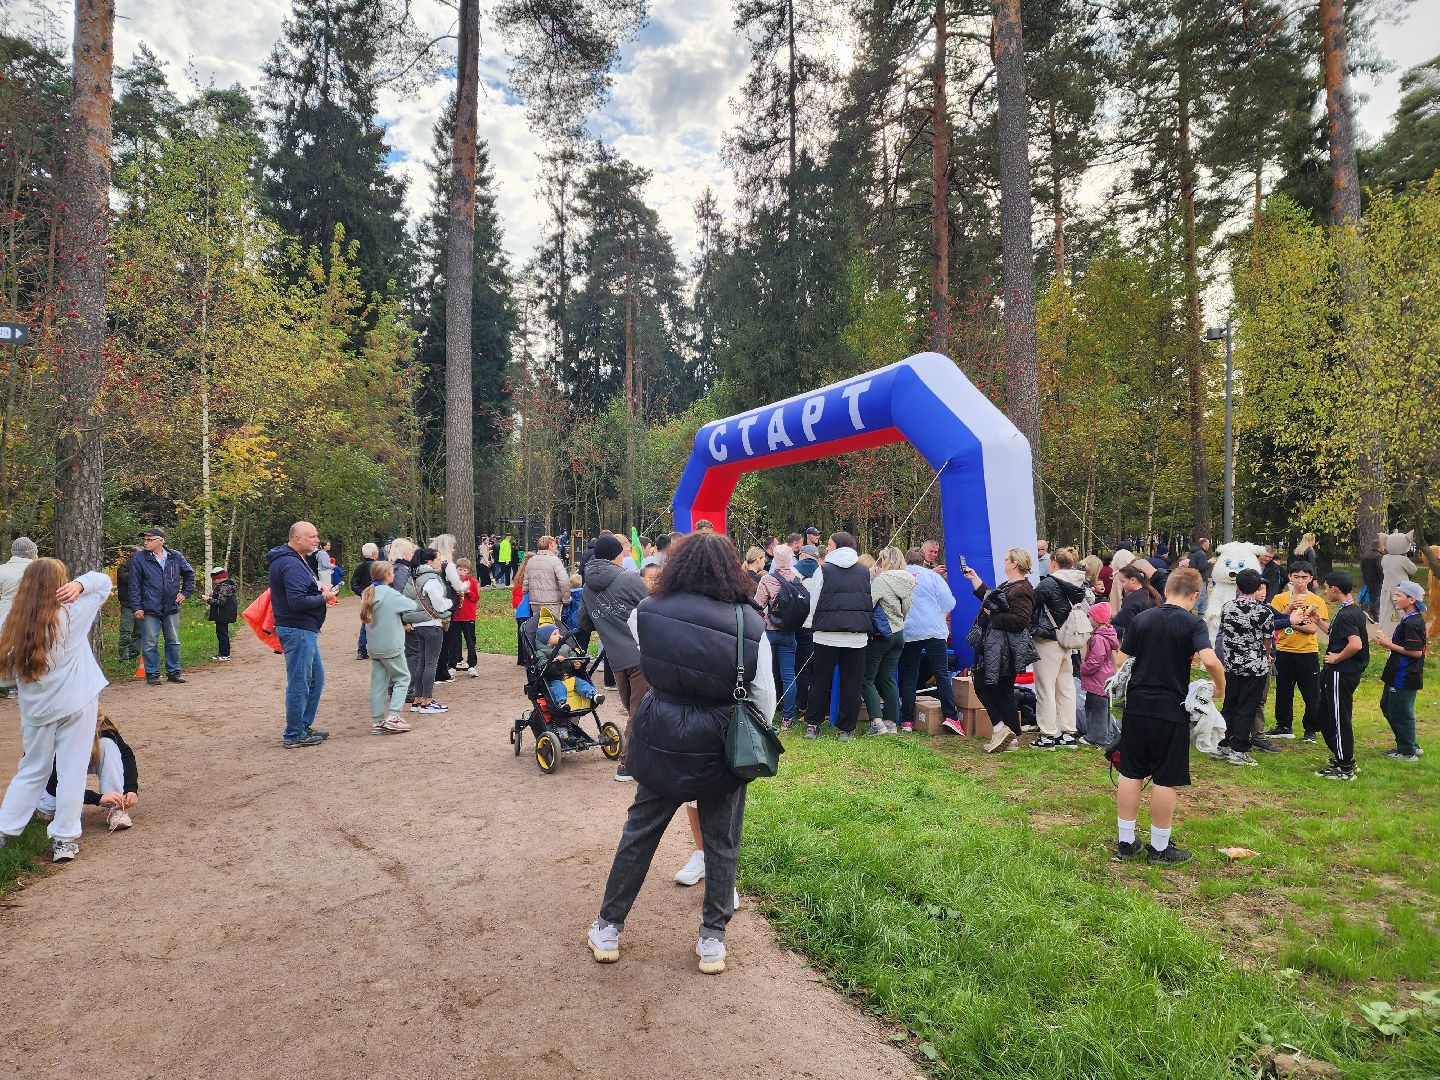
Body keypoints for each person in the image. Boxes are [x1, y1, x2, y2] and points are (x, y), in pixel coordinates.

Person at [586, 532, 774, 975]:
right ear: (730, 568)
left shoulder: (646, 612)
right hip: (720, 740)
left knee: (640, 830)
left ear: (677, 566)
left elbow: (644, 650)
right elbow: (764, 697)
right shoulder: (749, 623)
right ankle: (712, 939)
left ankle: (609, 927)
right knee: (722, 839)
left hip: (660, 732)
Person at [0, 560, 112, 862]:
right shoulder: (74, 613)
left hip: (37, 711)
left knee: (33, 770)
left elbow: (4, 677)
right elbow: (104, 583)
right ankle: (63, 840)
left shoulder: (11, 624)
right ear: (60, 585)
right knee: (71, 772)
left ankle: (5, 830)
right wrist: (81, 585)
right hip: (77, 703)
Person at [1113, 568, 1224, 866]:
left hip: (1136, 705)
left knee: (1131, 771)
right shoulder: (1193, 623)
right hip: (1170, 707)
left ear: (1167, 589)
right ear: (1195, 595)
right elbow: (1211, 659)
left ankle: (1126, 842)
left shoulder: (1143, 618)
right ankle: (1160, 848)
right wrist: (1220, 686)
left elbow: (1120, 659)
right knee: (1165, 778)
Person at [578, 534, 652, 781]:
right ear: (616, 555)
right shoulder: (629, 579)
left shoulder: (587, 586)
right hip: (641, 654)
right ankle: (628, 765)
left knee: (634, 709)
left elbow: (584, 622)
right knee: (639, 711)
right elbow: (654, 609)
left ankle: (644, 756)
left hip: (615, 659)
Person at [267, 521, 337, 748]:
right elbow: (296, 602)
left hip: (304, 629)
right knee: (300, 681)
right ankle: (294, 734)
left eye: (316, 536)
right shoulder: (291, 563)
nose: (317, 540)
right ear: (297, 539)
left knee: (316, 678)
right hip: (297, 628)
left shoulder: (296, 559)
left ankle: (302, 725)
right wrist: (323, 598)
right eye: (312, 536)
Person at [964, 548, 1034, 753]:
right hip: (999, 646)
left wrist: (992, 615)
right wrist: (974, 579)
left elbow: (1021, 621)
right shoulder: (1010, 585)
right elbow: (992, 599)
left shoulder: (1022, 589)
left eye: (1006, 560)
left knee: (984, 683)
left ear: (1014, 563)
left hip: (1007, 648)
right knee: (1003, 690)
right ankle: (1008, 736)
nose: (1004, 562)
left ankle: (1001, 729)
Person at [803, 532, 870, 741]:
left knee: (819, 681)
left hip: (826, 636)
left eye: (830, 544)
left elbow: (813, 603)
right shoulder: (864, 571)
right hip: (856, 637)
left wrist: (811, 625)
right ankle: (846, 729)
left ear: (838, 546)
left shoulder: (823, 571)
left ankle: (813, 724)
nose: (827, 547)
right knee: (852, 684)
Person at [1216, 568, 1280, 767]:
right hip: (1254, 665)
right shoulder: (1263, 612)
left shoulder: (1228, 607)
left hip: (1232, 663)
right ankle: (1239, 749)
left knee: (1230, 704)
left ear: (1237, 586)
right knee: (1247, 707)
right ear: (1258, 588)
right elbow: (1267, 639)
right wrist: (1267, 655)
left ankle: (1224, 743)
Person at [37, 710, 138, 833]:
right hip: (50, 790)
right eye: (90, 724)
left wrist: (130, 789)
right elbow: (55, 786)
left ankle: (116, 807)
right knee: (52, 810)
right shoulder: (56, 731)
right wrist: (96, 798)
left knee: (108, 745)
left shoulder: (102, 725)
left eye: (97, 724)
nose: (96, 729)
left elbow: (126, 756)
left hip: (75, 766)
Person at [1030, 547, 1087, 749]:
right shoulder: (1079, 581)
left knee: (1045, 688)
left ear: (1053, 562)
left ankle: (1047, 734)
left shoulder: (1048, 583)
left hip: (1047, 640)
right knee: (1066, 687)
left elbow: (1031, 604)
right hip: (1068, 640)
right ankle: (1068, 732)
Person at [1313, 571, 1368, 781]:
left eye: (1327, 587)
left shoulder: (1347, 614)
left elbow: (1355, 644)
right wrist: (1318, 621)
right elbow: (1339, 635)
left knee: (1337, 717)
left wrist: (1336, 658)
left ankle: (1345, 766)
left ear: (1335, 588)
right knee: (1324, 714)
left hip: (1341, 673)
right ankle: (1341, 756)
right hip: (1338, 672)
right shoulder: (1350, 610)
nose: (1326, 591)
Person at [1265, 562, 1328, 742]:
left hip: (1307, 651)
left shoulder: (1317, 601)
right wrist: (1291, 610)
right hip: (1284, 650)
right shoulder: (1280, 598)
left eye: (1304, 577)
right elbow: (1274, 622)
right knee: (1283, 690)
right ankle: (1283, 725)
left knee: (1311, 692)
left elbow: (1313, 628)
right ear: (1290, 577)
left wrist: (1291, 623)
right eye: (1296, 577)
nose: (1300, 581)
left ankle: (1311, 729)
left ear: (1310, 579)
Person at [899, 548, 959, 733]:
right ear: (923, 561)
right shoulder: (933, 577)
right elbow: (950, 603)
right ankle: (950, 716)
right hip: (933, 628)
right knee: (941, 673)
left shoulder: (899, 576)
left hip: (908, 630)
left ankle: (907, 720)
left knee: (909, 674)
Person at [129, 527, 196, 685]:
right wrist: (136, 607)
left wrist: (185, 593)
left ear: (161, 540)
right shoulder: (139, 558)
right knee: (150, 642)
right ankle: (152, 674)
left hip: (171, 606)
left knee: (173, 640)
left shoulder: (175, 556)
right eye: (144, 540)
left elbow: (189, 573)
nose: (146, 542)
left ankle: (173, 672)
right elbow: (134, 585)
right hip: (149, 607)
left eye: (149, 539)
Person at [358, 560, 416, 735]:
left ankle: (377, 722)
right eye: (392, 573)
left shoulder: (368, 592)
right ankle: (393, 717)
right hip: (391, 645)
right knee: (403, 678)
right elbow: (411, 605)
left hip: (375, 646)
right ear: (387, 576)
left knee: (378, 684)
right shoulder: (389, 594)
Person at [1373, 580, 1427, 762]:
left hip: (1405, 675)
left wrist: (1388, 644)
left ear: (1411, 599)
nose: (1394, 598)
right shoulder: (1407, 619)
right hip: (1396, 673)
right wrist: (1390, 642)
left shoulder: (1413, 623)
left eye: (1399, 595)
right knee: (1387, 706)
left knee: (1401, 712)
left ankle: (1408, 752)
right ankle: (1408, 743)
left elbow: (1415, 652)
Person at [863, 547, 915, 735]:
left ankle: (877, 723)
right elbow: (906, 609)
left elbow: (868, 603)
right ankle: (891, 721)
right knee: (887, 678)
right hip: (899, 633)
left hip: (881, 635)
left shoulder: (882, 580)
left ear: (885, 560)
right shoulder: (908, 580)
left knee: (866, 678)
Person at [753, 545, 804, 728]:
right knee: (788, 675)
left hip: (769, 631)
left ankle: (763, 712)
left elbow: (758, 605)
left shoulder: (767, 579)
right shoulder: (797, 579)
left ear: (774, 559)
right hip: (789, 632)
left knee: (765, 673)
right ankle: (788, 718)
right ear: (790, 559)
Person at [404, 547, 452, 714]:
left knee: (422, 663)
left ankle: (417, 700)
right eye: (438, 559)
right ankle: (427, 701)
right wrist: (449, 604)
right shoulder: (431, 579)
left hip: (418, 625)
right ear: (429, 562)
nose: (441, 561)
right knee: (430, 664)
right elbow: (439, 604)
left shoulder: (413, 578)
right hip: (431, 624)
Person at [1079, 602, 1119, 747]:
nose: (1088, 619)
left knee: (1095, 710)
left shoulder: (1098, 638)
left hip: (1097, 679)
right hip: (1105, 677)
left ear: (1096, 620)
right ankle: (1103, 735)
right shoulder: (1108, 635)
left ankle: (1097, 737)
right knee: (1102, 709)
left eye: (1089, 616)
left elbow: (1096, 659)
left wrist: (1084, 668)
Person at [537, 624, 602, 710]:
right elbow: (541, 665)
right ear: (546, 639)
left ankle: (594, 695)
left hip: (570, 676)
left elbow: (572, 656)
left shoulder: (565, 647)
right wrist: (554, 661)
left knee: (581, 683)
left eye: (559, 633)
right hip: (554, 679)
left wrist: (575, 662)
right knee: (559, 688)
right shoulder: (541, 652)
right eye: (555, 634)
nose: (559, 636)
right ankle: (562, 704)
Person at [525, 535, 572, 622]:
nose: (557, 546)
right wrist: (566, 598)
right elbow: (564, 581)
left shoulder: (531, 560)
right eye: (555, 544)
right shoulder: (555, 560)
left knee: (538, 627)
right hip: (551, 602)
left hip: (535, 602)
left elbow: (526, 582)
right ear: (550, 546)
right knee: (552, 629)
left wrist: (526, 595)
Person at [1112, 564, 1159, 646]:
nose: (1122, 586)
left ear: (1133, 580)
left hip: (1140, 644)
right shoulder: (1153, 594)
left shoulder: (1130, 601)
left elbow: (1130, 629)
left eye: (1123, 581)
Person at [203, 567, 238, 662]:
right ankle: (223, 653)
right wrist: (213, 594)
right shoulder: (228, 585)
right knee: (222, 633)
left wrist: (208, 600)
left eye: (214, 579)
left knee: (222, 634)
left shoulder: (224, 587)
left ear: (220, 578)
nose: (214, 581)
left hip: (222, 615)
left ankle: (225, 654)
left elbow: (220, 602)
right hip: (226, 614)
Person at [351, 542, 379, 659]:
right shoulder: (378, 566)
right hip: (377, 596)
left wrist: (361, 592)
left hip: (366, 598)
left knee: (366, 622)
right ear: (374, 553)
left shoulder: (359, 567)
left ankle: (362, 650)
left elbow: (353, 583)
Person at [453, 559, 481, 677]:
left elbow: (476, 598)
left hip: (468, 616)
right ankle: (454, 663)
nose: (462, 572)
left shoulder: (472, 581)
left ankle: (472, 665)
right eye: (460, 569)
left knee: (470, 641)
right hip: (455, 616)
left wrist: (468, 591)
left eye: (464, 570)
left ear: (468, 571)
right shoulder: (453, 581)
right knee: (454, 641)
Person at [114, 544, 141, 665]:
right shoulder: (124, 567)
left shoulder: (143, 567)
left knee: (139, 632)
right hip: (127, 604)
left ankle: (134, 655)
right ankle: (123, 658)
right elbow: (129, 579)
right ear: (132, 555)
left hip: (141, 604)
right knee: (126, 632)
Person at [1360, 539, 1385, 620]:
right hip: (1378, 581)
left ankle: (1371, 613)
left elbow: (1362, 569)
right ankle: (1375, 615)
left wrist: (1364, 579)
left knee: (1372, 597)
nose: (1384, 548)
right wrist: (1383, 579)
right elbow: (1380, 569)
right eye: (1383, 546)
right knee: (1378, 599)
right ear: (1379, 546)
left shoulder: (1365, 556)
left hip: (1368, 580)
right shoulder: (1379, 557)